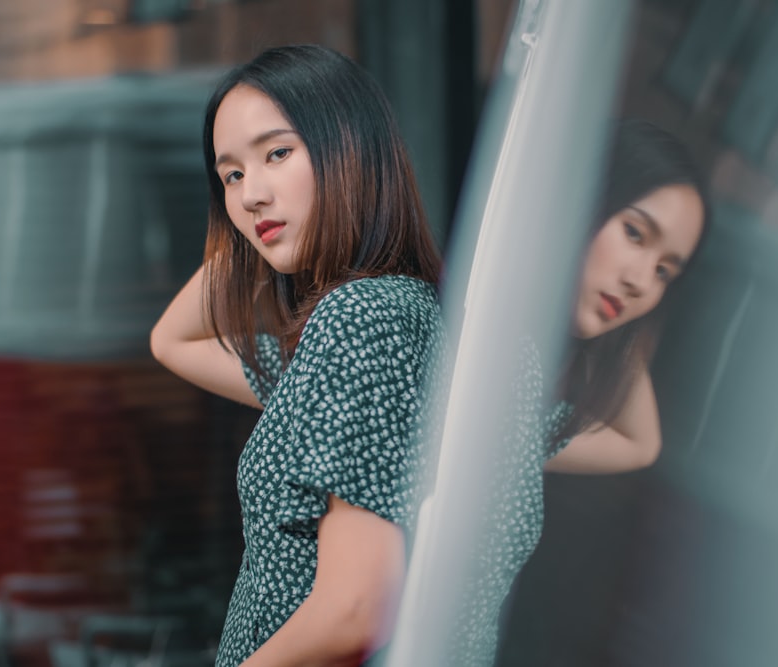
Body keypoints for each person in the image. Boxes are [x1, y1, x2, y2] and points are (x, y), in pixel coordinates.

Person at [149, 44, 444, 666]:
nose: (250, 193)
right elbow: (173, 341)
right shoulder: (377, 324)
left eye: (277, 153)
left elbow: (355, 612)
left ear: (351, 152)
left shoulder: (364, 318)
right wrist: (256, 219)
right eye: (230, 174)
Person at [447, 118, 709, 666]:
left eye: (665, 271)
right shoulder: (442, 341)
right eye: (635, 233)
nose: (643, 281)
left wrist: (630, 328)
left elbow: (641, 443)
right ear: (578, 202)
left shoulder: (516, 419)